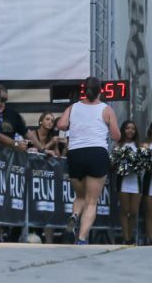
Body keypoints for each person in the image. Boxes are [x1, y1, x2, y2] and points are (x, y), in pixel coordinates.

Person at [56, 76, 121, 244]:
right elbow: (116, 135)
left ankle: (74, 215)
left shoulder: (73, 107)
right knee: (92, 201)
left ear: (84, 90)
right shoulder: (106, 109)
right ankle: (82, 238)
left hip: (76, 153)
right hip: (97, 153)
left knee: (80, 195)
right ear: (101, 91)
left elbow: (61, 125)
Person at [114, 120, 141, 244]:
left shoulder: (139, 146)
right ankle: (126, 238)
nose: (130, 130)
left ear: (135, 131)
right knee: (125, 211)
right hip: (123, 181)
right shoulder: (118, 146)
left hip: (135, 181)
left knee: (134, 211)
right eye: (127, 128)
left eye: (132, 129)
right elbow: (113, 164)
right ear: (123, 130)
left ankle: (131, 235)